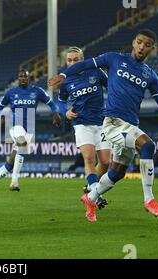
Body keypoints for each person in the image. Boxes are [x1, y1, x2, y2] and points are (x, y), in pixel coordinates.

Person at [49, 29, 158, 222]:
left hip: (129, 124)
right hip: (113, 123)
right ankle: (149, 200)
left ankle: (90, 198)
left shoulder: (150, 75)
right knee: (147, 146)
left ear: (152, 49)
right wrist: (63, 75)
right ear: (133, 42)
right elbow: (86, 63)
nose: (141, 46)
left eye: (147, 45)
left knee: (116, 172)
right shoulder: (113, 59)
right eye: (139, 42)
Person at [0, 69, 62, 195]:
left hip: (29, 129)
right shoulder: (11, 93)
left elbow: (51, 103)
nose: (23, 78)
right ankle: (14, 181)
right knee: (22, 143)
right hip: (15, 126)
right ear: (18, 78)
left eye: (25, 76)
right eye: (21, 76)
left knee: (11, 162)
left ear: (29, 77)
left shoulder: (37, 91)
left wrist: (55, 113)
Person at [57, 46, 110, 207]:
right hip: (81, 123)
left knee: (106, 162)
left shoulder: (97, 72)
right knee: (88, 158)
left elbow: (112, 87)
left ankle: (89, 188)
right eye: (69, 60)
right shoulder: (65, 81)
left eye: (76, 59)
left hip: (101, 123)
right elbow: (60, 101)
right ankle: (95, 196)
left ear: (83, 59)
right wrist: (65, 112)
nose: (72, 62)